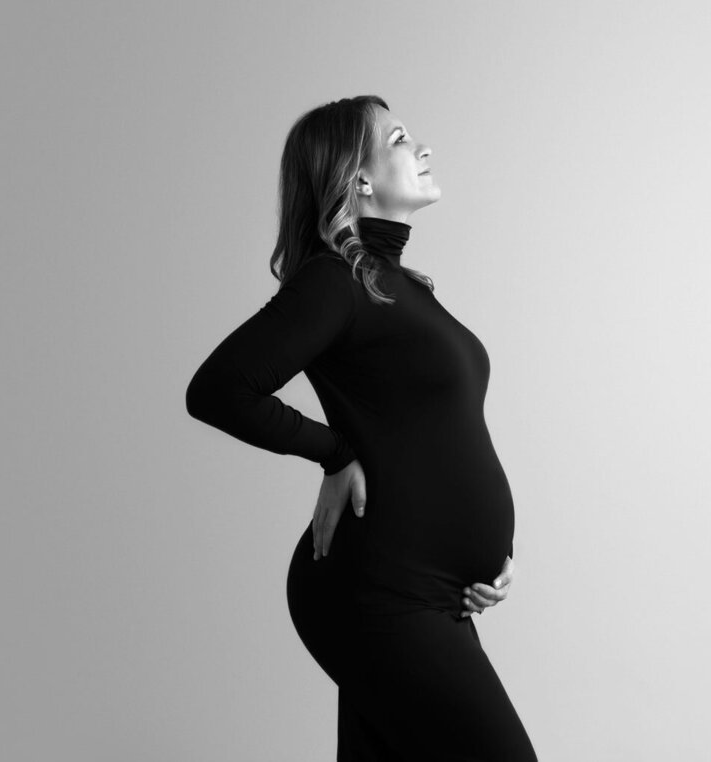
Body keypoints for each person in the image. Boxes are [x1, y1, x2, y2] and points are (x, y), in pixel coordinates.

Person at [185, 95, 537, 761]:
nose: (422, 147)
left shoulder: (399, 286)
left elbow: (434, 437)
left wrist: (489, 553)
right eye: (401, 138)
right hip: (381, 592)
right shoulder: (336, 281)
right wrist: (334, 452)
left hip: (431, 593)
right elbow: (219, 389)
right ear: (360, 179)